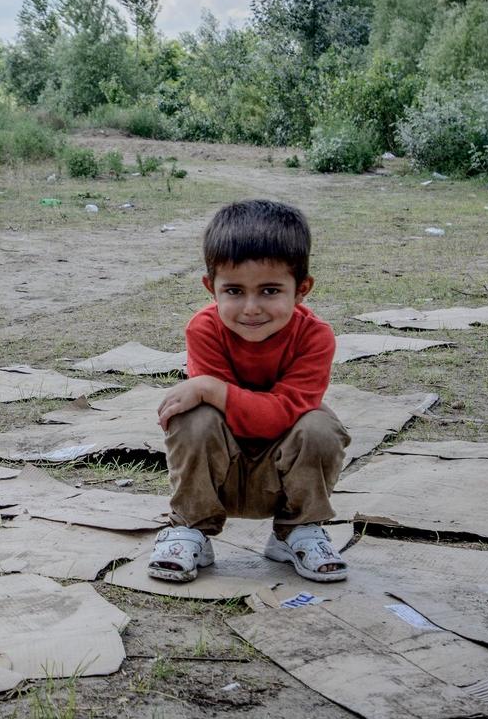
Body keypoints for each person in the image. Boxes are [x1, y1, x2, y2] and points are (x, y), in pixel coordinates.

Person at [147, 199, 350, 583]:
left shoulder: (315, 337)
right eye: (235, 291)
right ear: (212, 288)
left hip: (282, 477)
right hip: (221, 475)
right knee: (192, 417)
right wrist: (207, 393)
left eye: (270, 290)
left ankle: (297, 531)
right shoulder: (203, 330)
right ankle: (190, 528)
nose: (251, 308)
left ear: (301, 289)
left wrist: (210, 387)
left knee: (320, 425)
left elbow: (280, 415)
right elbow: (216, 416)